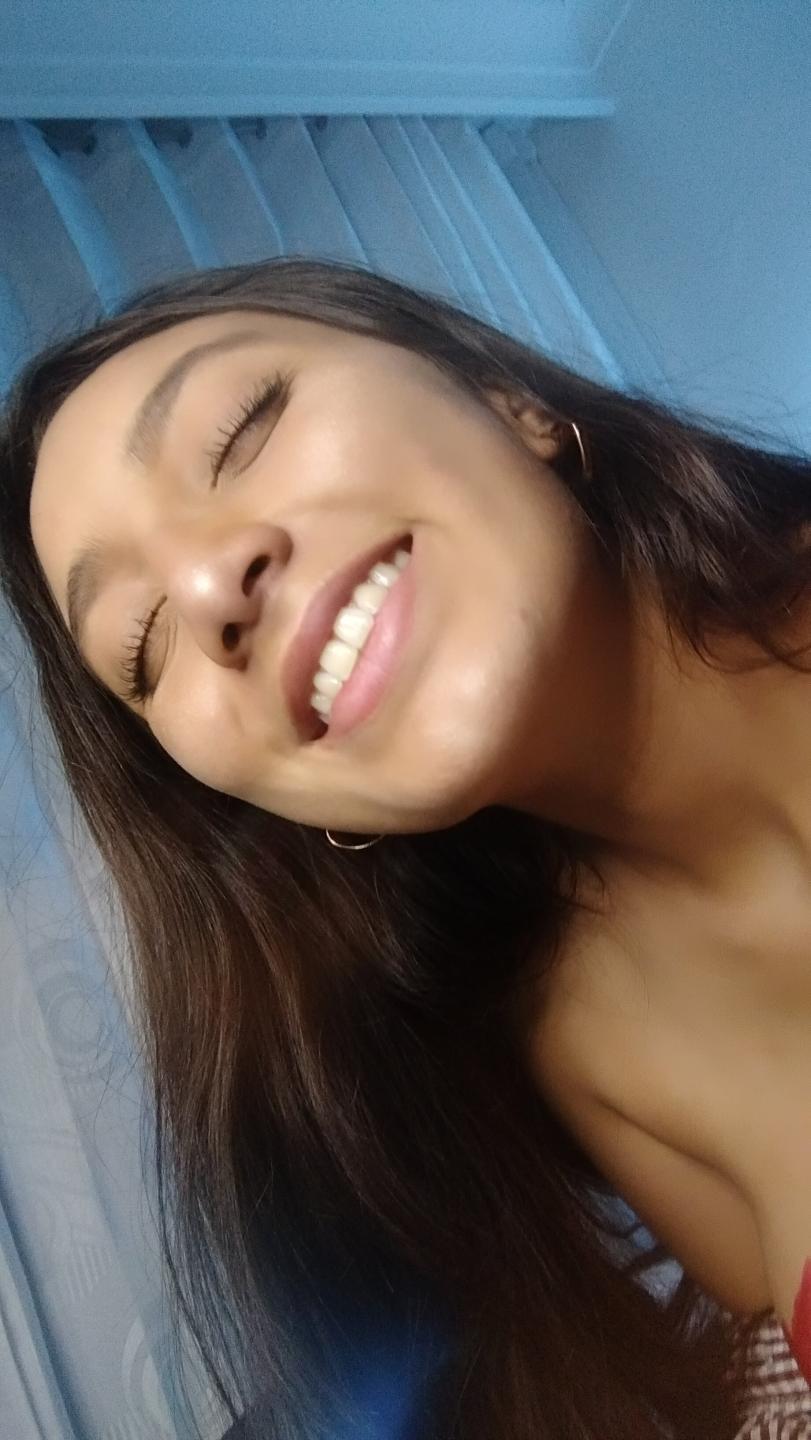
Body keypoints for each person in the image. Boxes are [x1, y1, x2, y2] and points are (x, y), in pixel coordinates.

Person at [1, 255, 811, 1439]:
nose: (209, 585)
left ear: (511, 403)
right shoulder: (586, 1054)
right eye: (144, 641)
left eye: (240, 429)